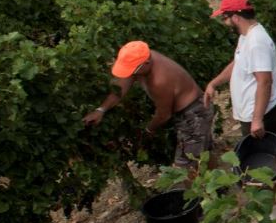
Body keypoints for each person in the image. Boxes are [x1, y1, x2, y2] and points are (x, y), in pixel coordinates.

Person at [82, 41, 214, 169]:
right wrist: (101, 110)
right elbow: (121, 87)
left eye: (133, 70)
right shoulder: (142, 59)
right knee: (202, 153)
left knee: (185, 165)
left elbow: (163, 115)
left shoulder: (159, 81)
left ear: (146, 62)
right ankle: (218, 187)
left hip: (194, 114)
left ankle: (197, 188)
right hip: (192, 110)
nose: (132, 74)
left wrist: (148, 130)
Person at [205, 0, 276, 138]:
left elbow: (265, 82)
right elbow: (238, 63)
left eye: (224, 17)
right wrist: (214, 83)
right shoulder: (246, 36)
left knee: (266, 158)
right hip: (252, 114)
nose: (224, 22)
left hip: (262, 114)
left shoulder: (256, 42)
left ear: (235, 17)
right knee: (264, 158)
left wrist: (257, 120)